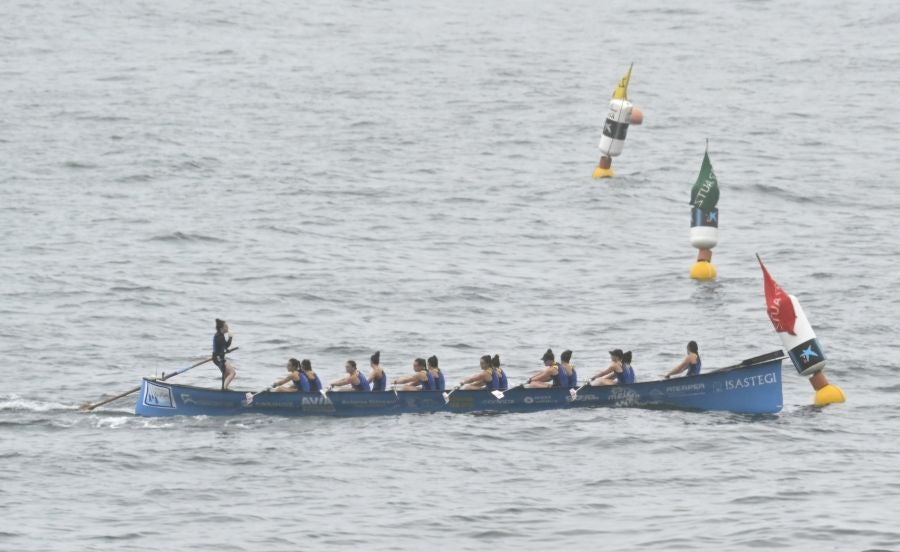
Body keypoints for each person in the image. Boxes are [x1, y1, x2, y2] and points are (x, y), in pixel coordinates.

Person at [212, 319, 236, 389]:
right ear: (221, 328)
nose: (227, 328)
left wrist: (226, 350)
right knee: (232, 373)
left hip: (218, 358)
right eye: (226, 327)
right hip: (218, 358)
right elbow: (226, 345)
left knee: (226, 374)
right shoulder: (219, 337)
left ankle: (224, 388)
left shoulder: (220, 335)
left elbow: (223, 347)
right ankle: (224, 390)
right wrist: (230, 337)